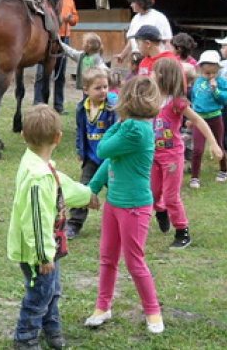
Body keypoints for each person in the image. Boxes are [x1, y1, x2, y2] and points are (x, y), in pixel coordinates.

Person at [8, 104, 96, 350]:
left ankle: (51, 327)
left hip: (47, 247)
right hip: (38, 252)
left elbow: (62, 185)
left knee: (52, 290)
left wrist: (87, 195)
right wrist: (44, 256)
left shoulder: (40, 167)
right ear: (58, 138)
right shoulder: (37, 176)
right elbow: (35, 220)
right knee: (39, 294)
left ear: (23, 136)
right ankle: (25, 338)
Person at [84, 76, 164, 334]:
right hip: (114, 204)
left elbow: (104, 150)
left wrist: (116, 124)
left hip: (134, 207)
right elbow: (111, 161)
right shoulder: (129, 127)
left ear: (127, 101)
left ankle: (153, 311)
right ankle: (102, 306)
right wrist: (93, 188)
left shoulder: (135, 130)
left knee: (134, 261)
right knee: (108, 257)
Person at [151, 59, 224, 249]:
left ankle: (182, 232)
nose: (150, 75)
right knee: (152, 193)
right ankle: (161, 211)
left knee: (171, 196)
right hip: (152, 155)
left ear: (161, 76)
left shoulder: (177, 102)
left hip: (172, 156)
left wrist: (214, 144)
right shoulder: (150, 98)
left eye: (153, 72)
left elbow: (199, 121)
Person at [68, 67, 117, 239]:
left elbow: (118, 130)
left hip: (110, 160)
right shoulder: (82, 108)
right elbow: (80, 129)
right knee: (84, 189)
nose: (103, 91)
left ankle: (121, 222)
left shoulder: (112, 107)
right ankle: (74, 223)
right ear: (86, 90)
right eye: (98, 88)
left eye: (105, 87)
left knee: (117, 191)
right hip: (91, 158)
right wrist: (80, 150)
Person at [34, 0, 79, 114]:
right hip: (50, 37)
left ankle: (58, 105)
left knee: (60, 73)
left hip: (64, 37)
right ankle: (38, 103)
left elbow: (76, 18)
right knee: (42, 73)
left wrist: (71, 19)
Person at [190, 51, 227, 188]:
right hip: (199, 119)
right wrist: (192, 116)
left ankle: (224, 170)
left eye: (214, 72)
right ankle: (194, 177)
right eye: (207, 73)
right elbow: (195, 99)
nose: (211, 76)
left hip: (215, 118)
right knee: (198, 149)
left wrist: (216, 91)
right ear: (201, 70)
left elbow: (225, 99)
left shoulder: (221, 82)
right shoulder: (198, 82)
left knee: (218, 145)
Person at [113, 0, 173, 66]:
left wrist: (170, 61)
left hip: (154, 59)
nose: (131, 5)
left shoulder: (159, 17)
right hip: (137, 59)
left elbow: (166, 41)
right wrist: (122, 55)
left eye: (133, 2)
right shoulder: (135, 18)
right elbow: (131, 41)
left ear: (140, 3)